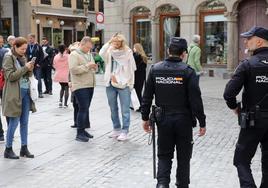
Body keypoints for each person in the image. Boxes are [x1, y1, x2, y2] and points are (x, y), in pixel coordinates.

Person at [141, 37, 206, 188]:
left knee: (164, 155)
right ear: (184, 54)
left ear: (168, 51)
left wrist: (145, 118)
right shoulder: (188, 72)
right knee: (184, 157)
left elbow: (147, 96)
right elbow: (196, 100)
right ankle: (182, 185)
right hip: (183, 120)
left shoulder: (155, 69)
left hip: (163, 119)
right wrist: (202, 121)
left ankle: (162, 184)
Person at [223, 26, 268, 188]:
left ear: (259, 41)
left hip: (253, 120)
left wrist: (235, 107)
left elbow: (228, 93)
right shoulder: (247, 64)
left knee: (241, 160)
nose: (245, 41)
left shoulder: (247, 64)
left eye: (248, 39)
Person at [2, 37, 36, 159]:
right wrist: (25, 68)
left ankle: (24, 147)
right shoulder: (8, 58)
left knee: (25, 122)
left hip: (26, 92)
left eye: (25, 49)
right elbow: (10, 76)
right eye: (22, 49)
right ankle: (8, 148)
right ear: (15, 46)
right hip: (14, 94)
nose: (24, 51)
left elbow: (27, 75)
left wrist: (30, 69)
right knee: (14, 122)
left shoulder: (22, 58)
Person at [99, 33, 136, 141]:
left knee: (125, 109)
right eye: (114, 41)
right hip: (110, 83)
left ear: (121, 42)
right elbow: (101, 53)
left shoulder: (127, 52)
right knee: (113, 108)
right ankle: (116, 128)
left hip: (123, 84)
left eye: (117, 42)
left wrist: (128, 83)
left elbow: (130, 70)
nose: (115, 43)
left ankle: (125, 131)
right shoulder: (110, 50)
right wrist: (109, 43)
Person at [68, 37, 97, 142]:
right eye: (88, 47)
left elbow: (91, 66)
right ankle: (79, 133)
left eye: (90, 47)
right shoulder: (74, 54)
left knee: (86, 108)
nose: (89, 49)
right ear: (82, 44)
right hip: (80, 85)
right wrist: (87, 66)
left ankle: (83, 130)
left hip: (89, 84)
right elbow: (73, 70)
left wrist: (94, 67)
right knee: (83, 108)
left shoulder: (88, 54)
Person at [26, 33, 44, 98]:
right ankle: (31, 92)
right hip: (29, 65)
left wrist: (39, 63)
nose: (29, 40)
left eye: (31, 38)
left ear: (34, 38)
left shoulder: (38, 46)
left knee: (38, 78)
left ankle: (40, 92)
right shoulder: (27, 46)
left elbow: (42, 56)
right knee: (29, 79)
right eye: (29, 38)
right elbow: (26, 55)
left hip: (37, 65)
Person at [133, 43, 147, 112]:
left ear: (137, 48)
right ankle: (140, 106)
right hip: (141, 77)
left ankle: (140, 106)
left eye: (134, 48)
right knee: (139, 92)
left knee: (137, 92)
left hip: (136, 77)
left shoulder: (136, 56)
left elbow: (133, 66)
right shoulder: (143, 57)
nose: (133, 49)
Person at [0, 35, 8, 141]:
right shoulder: (6, 52)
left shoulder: (6, 52)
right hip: (4, 82)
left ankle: (1, 133)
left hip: (4, 81)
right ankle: (9, 130)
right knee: (7, 108)